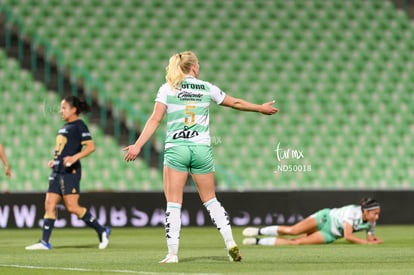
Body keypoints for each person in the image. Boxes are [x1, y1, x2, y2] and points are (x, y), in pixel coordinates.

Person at [123, 51, 278, 263]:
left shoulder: (168, 88)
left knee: (174, 204)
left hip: (177, 148)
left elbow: (154, 120)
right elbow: (236, 103)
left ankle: (173, 254)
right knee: (211, 200)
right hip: (201, 150)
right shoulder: (206, 87)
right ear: (194, 67)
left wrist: (138, 145)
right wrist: (260, 108)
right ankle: (230, 242)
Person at [26, 96, 110, 250]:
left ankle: (102, 230)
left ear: (74, 110)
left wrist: (74, 157)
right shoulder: (65, 127)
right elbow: (63, 149)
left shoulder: (80, 126)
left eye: (64, 108)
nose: (60, 111)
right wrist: (55, 161)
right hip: (57, 170)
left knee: (72, 207)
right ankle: (45, 242)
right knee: (49, 204)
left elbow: (91, 147)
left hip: (70, 172)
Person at [242, 197, 383, 246]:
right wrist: (367, 243)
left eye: (378, 214)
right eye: (375, 213)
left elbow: (370, 237)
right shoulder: (352, 212)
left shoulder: (371, 222)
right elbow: (348, 236)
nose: (376, 217)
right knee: (293, 231)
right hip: (325, 219)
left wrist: (372, 239)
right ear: (365, 211)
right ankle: (258, 231)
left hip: (331, 234)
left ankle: (257, 241)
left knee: (296, 243)